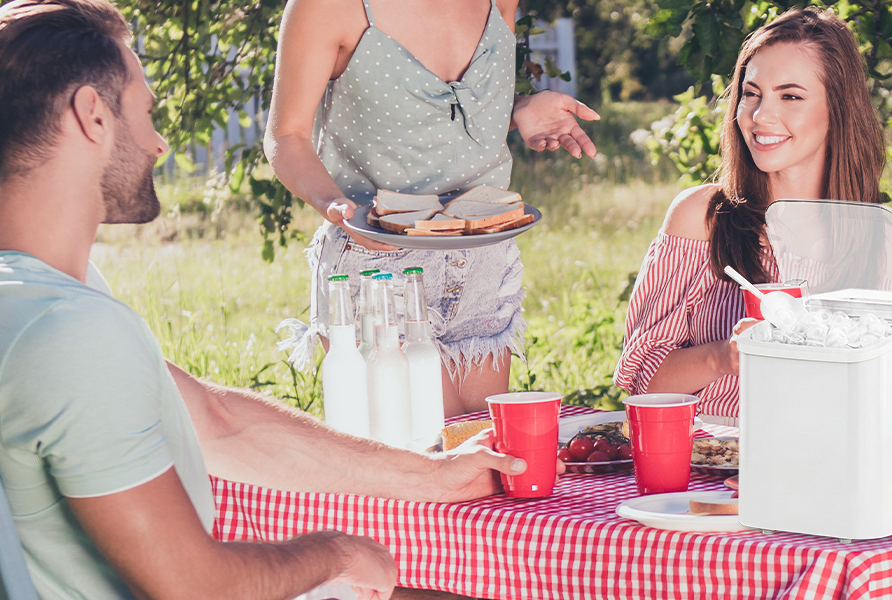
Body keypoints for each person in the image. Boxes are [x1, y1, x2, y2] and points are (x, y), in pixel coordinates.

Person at [0, 1, 547, 598]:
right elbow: (194, 584)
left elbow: (217, 420)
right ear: (92, 116)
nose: (159, 144)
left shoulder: (50, 301)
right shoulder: (68, 329)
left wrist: (434, 476)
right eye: (146, 112)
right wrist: (336, 551)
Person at [266, 0, 600, 418]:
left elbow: (445, 115)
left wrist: (518, 109)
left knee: (481, 458)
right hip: (380, 267)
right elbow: (286, 135)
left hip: (483, 259)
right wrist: (331, 203)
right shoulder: (329, 7)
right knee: (417, 460)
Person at [613, 7, 885, 425]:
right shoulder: (703, 217)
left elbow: (891, 387)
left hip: (824, 460)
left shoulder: (876, 238)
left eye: (790, 96)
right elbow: (641, 382)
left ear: (839, 108)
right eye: (752, 93)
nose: (760, 116)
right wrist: (723, 357)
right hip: (709, 460)